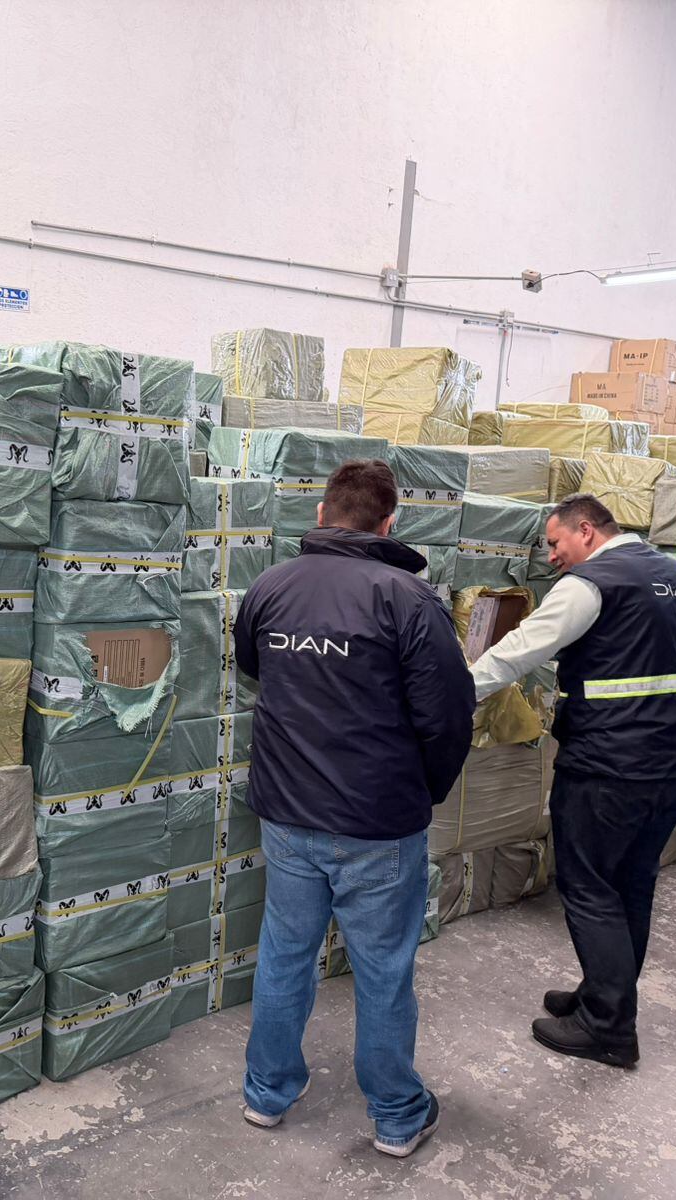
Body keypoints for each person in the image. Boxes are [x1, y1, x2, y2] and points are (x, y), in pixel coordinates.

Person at [233, 458, 473, 1159]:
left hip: (287, 813)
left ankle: (265, 1094)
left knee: (285, 953)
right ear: (390, 521)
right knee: (382, 969)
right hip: (376, 823)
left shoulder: (271, 587)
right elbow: (448, 715)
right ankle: (398, 1116)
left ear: (320, 514)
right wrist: (421, 790)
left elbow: (256, 667)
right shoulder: (407, 598)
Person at [470, 494, 676, 1068]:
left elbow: (516, 653)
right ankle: (604, 995)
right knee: (631, 884)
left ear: (586, 529)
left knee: (588, 885)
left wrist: (446, 695)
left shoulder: (590, 584)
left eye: (554, 544)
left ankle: (608, 1027)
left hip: (611, 765)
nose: (551, 557)